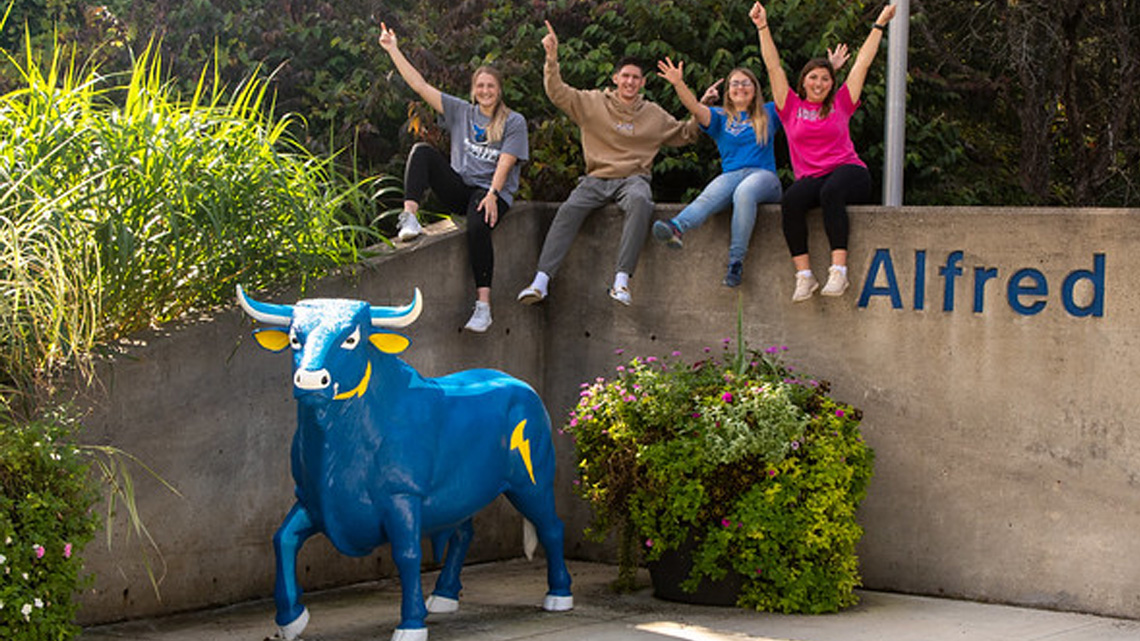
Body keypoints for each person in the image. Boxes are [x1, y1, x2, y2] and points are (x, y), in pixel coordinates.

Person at [516, 21, 699, 307]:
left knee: (641, 201)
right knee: (567, 210)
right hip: (596, 178)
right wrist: (551, 59)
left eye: (636, 78)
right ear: (615, 78)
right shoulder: (592, 103)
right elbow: (557, 92)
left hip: (633, 179)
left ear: (643, 83)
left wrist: (702, 109)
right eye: (625, 76)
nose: (630, 82)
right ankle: (540, 281)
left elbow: (686, 134)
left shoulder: (654, 114)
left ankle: (622, 281)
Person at [651, 47, 849, 288]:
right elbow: (694, 107)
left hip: (764, 178)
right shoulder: (719, 117)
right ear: (728, 92)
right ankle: (678, 227)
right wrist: (678, 83)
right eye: (734, 83)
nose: (740, 87)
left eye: (746, 83)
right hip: (732, 176)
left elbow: (804, 97)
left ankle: (736, 261)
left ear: (755, 89)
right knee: (709, 195)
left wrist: (829, 69)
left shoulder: (768, 112)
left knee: (744, 192)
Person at [379, 23, 528, 332]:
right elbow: (419, 85)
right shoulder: (462, 111)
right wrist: (393, 49)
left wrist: (492, 194)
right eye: (481, 86)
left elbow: (505, 161)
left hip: (491, 193)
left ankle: (483, 306)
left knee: (477, 224)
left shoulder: (514, 121)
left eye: (491, 86)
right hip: (462, 187)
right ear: (474, 90)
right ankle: (409, 218)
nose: (485, 91)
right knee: (422, 151)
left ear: (499, 91)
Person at [751, 1, 897, 301]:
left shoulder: (841, 103)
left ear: (832, 84)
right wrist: (763, 27)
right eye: (813, 77)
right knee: (791, 200)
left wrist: (880, 24)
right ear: (803, 81)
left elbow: (863, 65)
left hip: (850, 173)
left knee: (831, 191)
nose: (819, 83)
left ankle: (839, 271)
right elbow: (773, 66)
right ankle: (804, 275)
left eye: (825, 78)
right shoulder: (790, 107)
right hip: (813, 178)